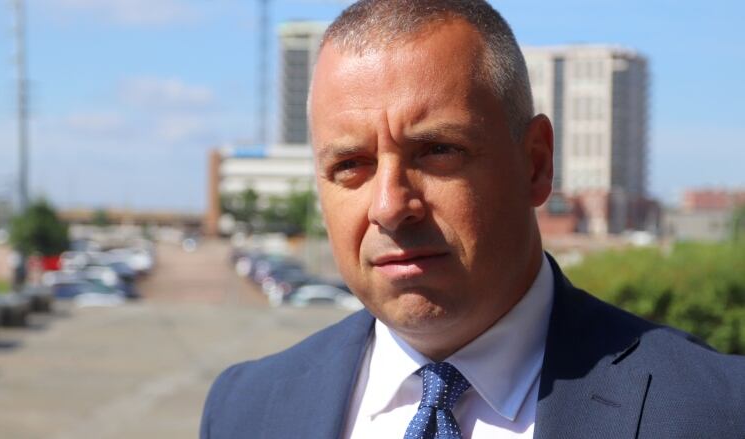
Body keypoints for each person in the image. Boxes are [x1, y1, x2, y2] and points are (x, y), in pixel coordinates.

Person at [201, 1, 745, 438]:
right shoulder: (245, 409)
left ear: (535, 164)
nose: (390, 205)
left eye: (438, 151)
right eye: (350, 165)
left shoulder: (714, 411)